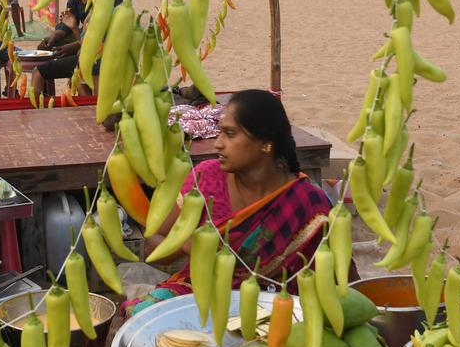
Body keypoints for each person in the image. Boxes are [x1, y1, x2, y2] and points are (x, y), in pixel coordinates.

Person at [123, 90, 333, 316]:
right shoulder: (206, 178)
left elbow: (337, 278)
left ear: (265, 143)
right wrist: (184, 244)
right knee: (141, 314)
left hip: (275, 301)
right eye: (220, 133)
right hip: (201, 290)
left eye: (230, 134)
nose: (218, 144)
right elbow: (153, 245)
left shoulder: (308, 202)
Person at [32, 0, 120, 95]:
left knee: (76, 72)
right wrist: (55, 37)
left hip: (102, 53)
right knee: (50, 45)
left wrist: (74, 40)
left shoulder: (107, 4)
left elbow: (94, 41)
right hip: (89, 48)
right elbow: (68, 25)